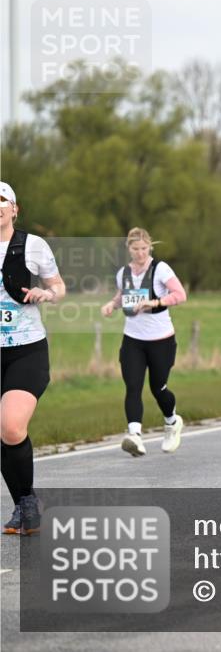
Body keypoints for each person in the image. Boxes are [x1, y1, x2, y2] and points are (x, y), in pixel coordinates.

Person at [1, 181, 66, 535]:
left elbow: (59, 287)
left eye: (2, 200)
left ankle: (25, 501)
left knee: (11, 426)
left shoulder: (32, 245)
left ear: (14, 209)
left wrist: (47, 293)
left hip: (26, 349)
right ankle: (24, 504)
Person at [100, 228, 188, 457]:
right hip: (133, 340)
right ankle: (135, 437)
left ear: (150, 247)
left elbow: (180, 295)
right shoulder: (123, 273)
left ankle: (172, 422)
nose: (140, 253)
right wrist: (111, 305)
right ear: (128, 249)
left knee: (158, 388)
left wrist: (154, 302)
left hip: (161, 340)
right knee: (133, 386)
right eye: (135, 249)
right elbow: (122, 297)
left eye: (144, 248)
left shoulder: (161, 269)